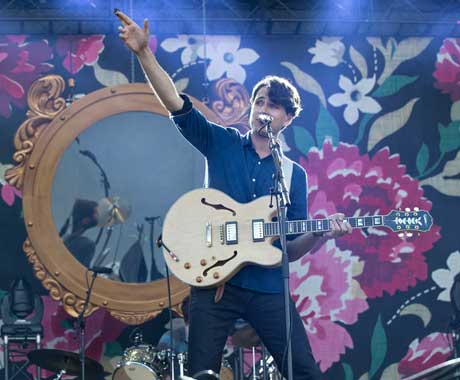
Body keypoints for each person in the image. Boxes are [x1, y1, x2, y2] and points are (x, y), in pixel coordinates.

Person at [115, 10, 352, 380]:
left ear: (287, 118)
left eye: (273, 106)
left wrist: (321, 233)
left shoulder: (293, 174)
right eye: (260, 102)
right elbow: (175, 103)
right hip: (216, 284)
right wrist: (144, 53)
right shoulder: (222, 143)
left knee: (304, 370)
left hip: (268, 288)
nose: (263, 110)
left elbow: (289, 247)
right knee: (202, 374)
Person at [62, 198, 99, 268]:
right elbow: (83, 275)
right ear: (85, 220)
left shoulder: (62, 237)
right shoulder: (87, 245)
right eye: (96, 213)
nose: (99, 215)